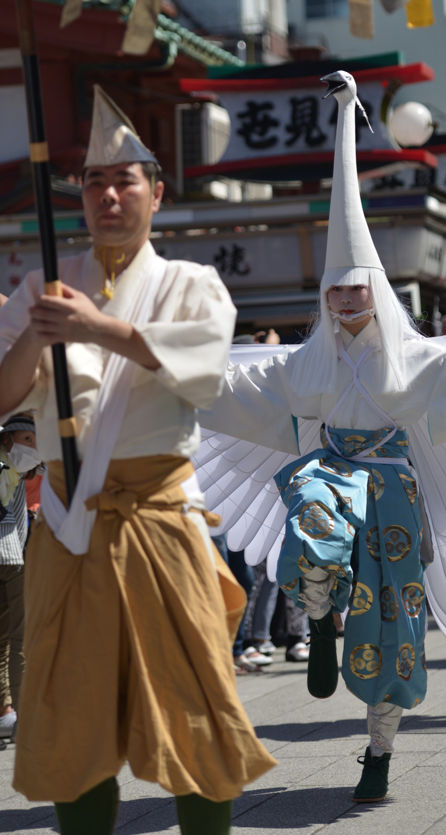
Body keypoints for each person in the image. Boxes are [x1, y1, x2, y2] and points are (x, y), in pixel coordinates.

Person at [206, 71, 446, 802]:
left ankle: (379, 742)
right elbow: (235, 388)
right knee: (312, 517)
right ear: (323, 296)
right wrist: (170, 370)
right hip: (330, 475)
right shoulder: (303, 362)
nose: (347, 300)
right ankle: (318, 618)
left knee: (394, 621)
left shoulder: (414, 358)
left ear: (377, 293)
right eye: (336, 290)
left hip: (393, 491)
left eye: (358, 289)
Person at [0, 86, 274, 834]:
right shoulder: (40, 285)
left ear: (156, 191)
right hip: (66, 520)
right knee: (69, 713)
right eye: (94, 182)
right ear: (79, 196)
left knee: (196, 705)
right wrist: (38, 331)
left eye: (125, 181)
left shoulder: (192, 284)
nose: (109, 195)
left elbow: (204, 370)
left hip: (158, 512)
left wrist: (98, 326)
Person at [0, 413, 41, 741]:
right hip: (9, 557)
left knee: (4, 637)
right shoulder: (6, 469)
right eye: (28, 440)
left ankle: (5, 711)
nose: (33, 447)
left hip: (13, 553)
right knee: (22, 637)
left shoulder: (16, 469)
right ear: (7, 439)